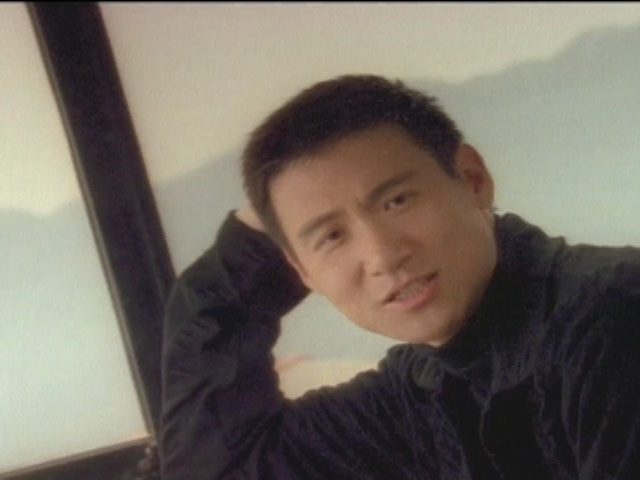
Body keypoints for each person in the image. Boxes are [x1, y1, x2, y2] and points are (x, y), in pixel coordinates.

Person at [159, 75, 640, 479]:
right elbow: (218, 468)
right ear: (301, 270)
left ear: (472, 180)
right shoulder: (419, 388)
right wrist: (253, 240)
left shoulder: (612, 313)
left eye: (396, 201)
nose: (383, 256)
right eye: (331, 236)